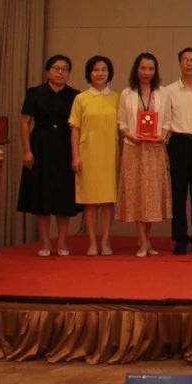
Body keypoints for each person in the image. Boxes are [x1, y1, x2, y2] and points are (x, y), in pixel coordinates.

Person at [17, 54, 79, 257]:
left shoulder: (75, 95)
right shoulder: (35, 93)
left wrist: (76, 155)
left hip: (65, 148)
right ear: (48, 71)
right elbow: (25, 122)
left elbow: (77, 127)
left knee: (63, 198)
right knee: (40, 196)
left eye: (65, 69)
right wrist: (27, 150)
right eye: (56, 68)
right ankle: (45, 242)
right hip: (40, 146)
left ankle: (61, 241)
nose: (60, 72)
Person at [116, 52, 173, 257]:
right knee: (137, 195)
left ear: (155, 71)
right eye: (143, 68)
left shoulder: (163, 93)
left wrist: (162, 137)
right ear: (136, 70)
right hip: (134, 148)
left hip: (155, 150)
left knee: (151, 196)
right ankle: (143, 241)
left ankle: (146, 240)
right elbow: (121, 122)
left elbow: (168, 121)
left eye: (150, 69)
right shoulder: (127, 93)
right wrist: (130, 135)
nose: (147, 72)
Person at [69, 55, 119, 256]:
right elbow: (75, 129)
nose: (100, 73)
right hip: (87, 155)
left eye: (103, 70)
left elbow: (123, 129)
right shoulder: (81, 98)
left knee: (108, 201)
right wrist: (75, 156)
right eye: (96, 70)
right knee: (89, 201)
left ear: (109, 73)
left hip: (110, 155)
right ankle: (91, 242)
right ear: (89, 73)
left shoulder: (117, 98)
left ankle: (105, 241)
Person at [162, 47, 192, 255]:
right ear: (180, 63)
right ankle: (180, 238)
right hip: (178, 143)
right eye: (185, 60)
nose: (189, 63)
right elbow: (164, 120)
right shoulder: (168, 91)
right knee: (178, 194)